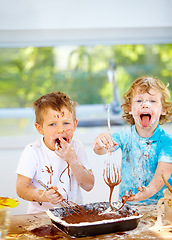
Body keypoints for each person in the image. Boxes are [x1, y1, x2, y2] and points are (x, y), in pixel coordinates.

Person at [92, 76, 172, 204]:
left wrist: (146, 193)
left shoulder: (167, 143)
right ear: (130, 108)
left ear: (163, 109)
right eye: (139, 101)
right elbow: (102, 150)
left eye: (152, 101)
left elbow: (161, 176)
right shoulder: (124, 136)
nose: (145, 105)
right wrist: (99, 143)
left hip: (160, 208)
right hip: (128, 206)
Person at [16, 91, 94, 213]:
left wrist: (73, 160)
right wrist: (44, 195)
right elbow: (21, 188)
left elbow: (88, 185)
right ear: (40, 128)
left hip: (73, 217)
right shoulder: (33, 151)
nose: (60, 130)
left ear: (74, 125)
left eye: (66, 123)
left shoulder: (77, 147)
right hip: (40, 219)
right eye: (52, 124)